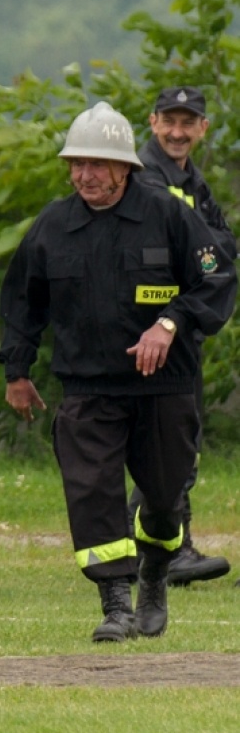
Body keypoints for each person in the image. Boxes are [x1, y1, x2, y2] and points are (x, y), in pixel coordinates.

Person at [0, 101, 235, 643]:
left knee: (165, 497)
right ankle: (116, 604)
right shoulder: (53, 225)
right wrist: (17, 369)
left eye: (98, 164)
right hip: (87, 389)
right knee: (92, 494)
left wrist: (171, 323)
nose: (86, 175)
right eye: (77, 164)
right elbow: (22, 302)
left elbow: (216, 278)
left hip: (164, 388)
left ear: (125, 167)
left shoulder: (170, 214)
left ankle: (155, 571)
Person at [131, 86, 235, 586]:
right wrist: (201, 254)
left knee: (171, 442)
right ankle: (168, 550)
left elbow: (223, 246)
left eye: (187, 122)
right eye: (168, 121)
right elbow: (185, 249)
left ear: (202, 129)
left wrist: (201, 252)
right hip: (149, 330)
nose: (177, 131)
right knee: (167, 443)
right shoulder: (145, 177)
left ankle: (157, 547)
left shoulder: (190, 179)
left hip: (180, 329)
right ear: (152, 123)